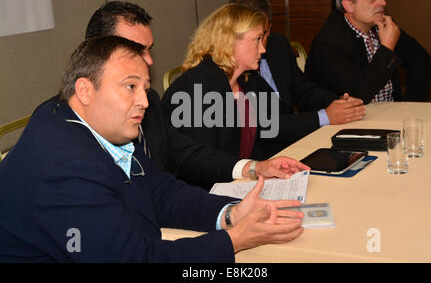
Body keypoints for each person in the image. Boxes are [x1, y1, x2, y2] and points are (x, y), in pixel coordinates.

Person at [0, 36, 304, 262]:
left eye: (144, 89)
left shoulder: (92, 124)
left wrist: (230, 214)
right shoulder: (64, 167)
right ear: (84, 90)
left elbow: (159, 191)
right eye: (130, 86)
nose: (145, 102)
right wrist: (233, 240)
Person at [84, 1, 309, 190]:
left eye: (149, 49)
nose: (150, 60)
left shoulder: (150, 99)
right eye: (137, 50)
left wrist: (254, 168)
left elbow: (185, 154)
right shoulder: (196, 89)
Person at [228, 0, 366, 155]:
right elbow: (261, 125)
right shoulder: (230, 67)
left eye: (261, 35)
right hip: (261, 154)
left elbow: (302, 90)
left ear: (269, 28)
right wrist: (324, 117)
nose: (260, 47)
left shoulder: (278, 45)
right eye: (252, 38)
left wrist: (341, 104)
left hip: (298, 143)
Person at [162, 3, 283, 160]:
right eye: (257, 40)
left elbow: (270, 129)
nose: (263, 49)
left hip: (242, 177)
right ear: (229, 41)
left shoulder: (245, 80)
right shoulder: (196, 87)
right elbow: (201, 163)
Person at [304, 0, 431, 104]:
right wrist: (387, 49)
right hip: (351, 120)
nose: (383, 2)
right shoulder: (328, 42)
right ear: (349, 5)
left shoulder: (380, 26)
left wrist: (408, 107)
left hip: (390, 115)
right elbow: (358, 95)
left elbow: (421, 62)